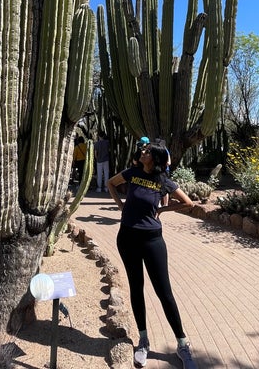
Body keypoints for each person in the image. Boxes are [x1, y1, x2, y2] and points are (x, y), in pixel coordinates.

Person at [106, 141, 198, 369]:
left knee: (164, 293)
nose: (143, 153)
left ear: (155, 158)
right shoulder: (132, 172)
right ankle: (143, 340)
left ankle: (182, 344)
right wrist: (121, 207)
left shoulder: (163, 181)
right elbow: (110, 184)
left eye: (147, 152)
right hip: (127, 237)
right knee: (136, 287)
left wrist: (162, 210)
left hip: (152, 240)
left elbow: (187, 203)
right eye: (144, 151)